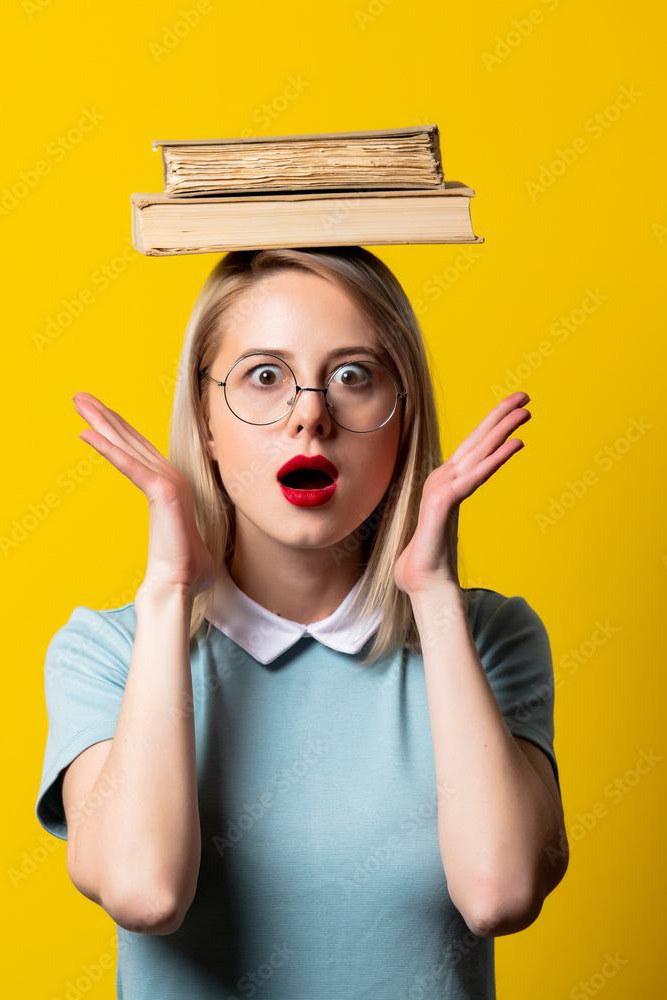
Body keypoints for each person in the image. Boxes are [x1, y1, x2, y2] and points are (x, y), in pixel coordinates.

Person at [35, 245, 568, 999]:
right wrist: (167, 593)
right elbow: (144, 893)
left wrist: (434, 594)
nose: (311, 415)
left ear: (403, 420)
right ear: (205, 421)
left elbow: (500, 894)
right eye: (263, 377)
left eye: (354, 376)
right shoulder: (109, 652)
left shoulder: (488, 637)